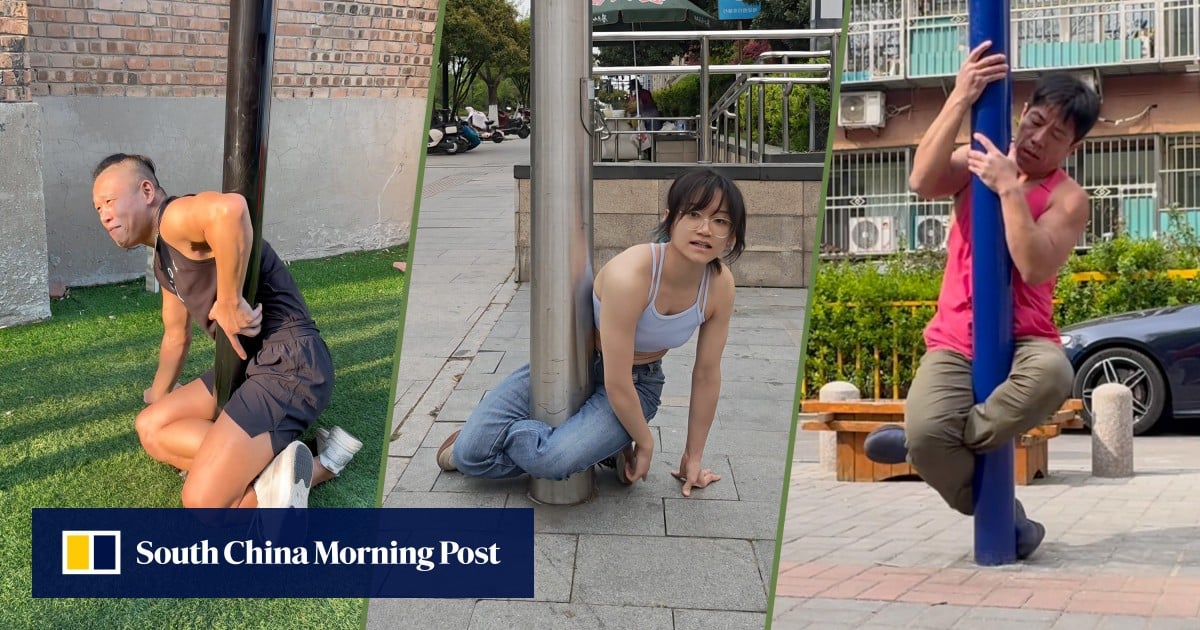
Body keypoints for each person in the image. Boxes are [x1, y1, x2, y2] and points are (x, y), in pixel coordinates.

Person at [862, 43, 1101, 558]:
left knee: (1056, 375)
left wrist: (1011, 190)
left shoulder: (1068, 197)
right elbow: (921, 180)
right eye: (1034, 122)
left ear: (1073, 146)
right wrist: (961, 97)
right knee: (930, 437)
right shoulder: (978, 158)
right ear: (1022, 113)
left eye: (1055, 134)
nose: (1037, 139)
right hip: (955, 335)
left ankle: (926, 446)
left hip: (1026, 338)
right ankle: (1002, 512)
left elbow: (1036, 265)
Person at [435, 168, 746, 497]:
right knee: (469, 456)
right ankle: (599, 447)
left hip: (638, 383)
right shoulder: (633, 275)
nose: (704, 229)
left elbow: (707, 375)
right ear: (669, 219)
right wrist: (645, 440)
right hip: (570, 362)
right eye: (694, 214)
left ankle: (586, 444)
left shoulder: (719, 287)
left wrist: (692, 458)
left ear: (732, 234)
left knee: (550, 460)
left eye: (720, 221)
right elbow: (613, 379)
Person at [91, 153, 363, 509]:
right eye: (98, 209)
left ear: (146, 191)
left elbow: (230, 210)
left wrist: (232, 299)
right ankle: (272, 466)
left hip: (290, 363)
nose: (105, 214)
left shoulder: (174, 217)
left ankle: (322, 465)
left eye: (109, 201)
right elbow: (176, 336)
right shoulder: (163, 260)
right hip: (245, 366)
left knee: (202, 502)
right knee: (151, 428)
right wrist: (159, 395)